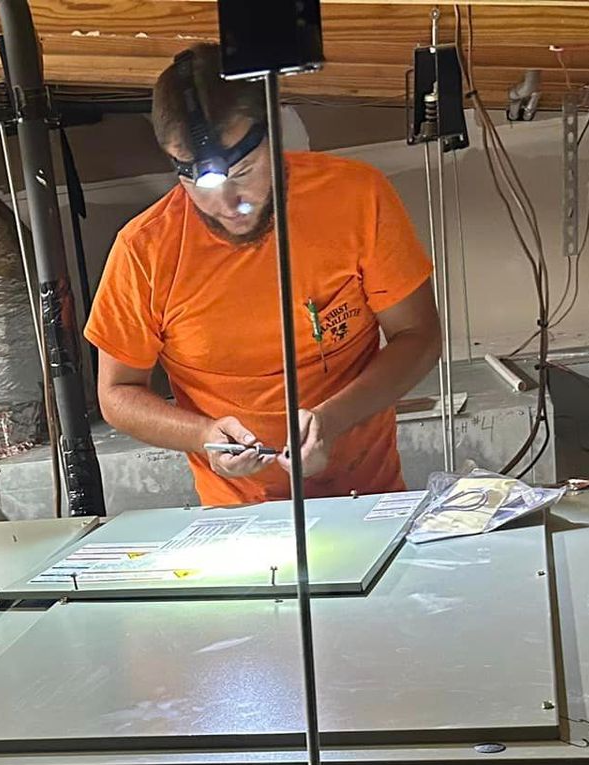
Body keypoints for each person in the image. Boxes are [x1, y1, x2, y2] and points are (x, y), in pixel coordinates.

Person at [85, 44, 444, 508]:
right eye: (199, 184)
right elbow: (116, 393)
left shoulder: (356, 198)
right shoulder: (144, 250)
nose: (228, 204)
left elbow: (418, 335)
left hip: (368, 497)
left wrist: (332, 420)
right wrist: (204, 435)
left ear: (275, 134)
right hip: (237, 517)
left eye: (245, 171)